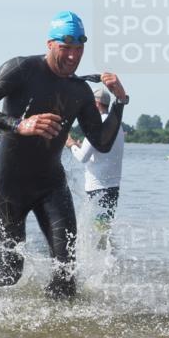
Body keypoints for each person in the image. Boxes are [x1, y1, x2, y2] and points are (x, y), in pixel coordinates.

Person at [0, 10, 129, 298]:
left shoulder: (79, 90)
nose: (74, 56)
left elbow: (101, 142)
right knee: (9, 270)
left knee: (67, 272)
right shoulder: (21, 69)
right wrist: (18, 124)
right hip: (9, 184)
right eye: (67, 48)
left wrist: (120, 101)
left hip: (51, 185)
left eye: (79, 49)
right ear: (50, 44)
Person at [65, 87, 125, 246]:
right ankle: (109, 265)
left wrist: (71, 145)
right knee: (104, 232)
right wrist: (82, 146)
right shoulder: (117, 125)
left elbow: (82, 157)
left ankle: (98, 266)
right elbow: (103, 153)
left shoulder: (96, 124)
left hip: (97, 189)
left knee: (97, 236)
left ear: (96, 104)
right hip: (113, 187)